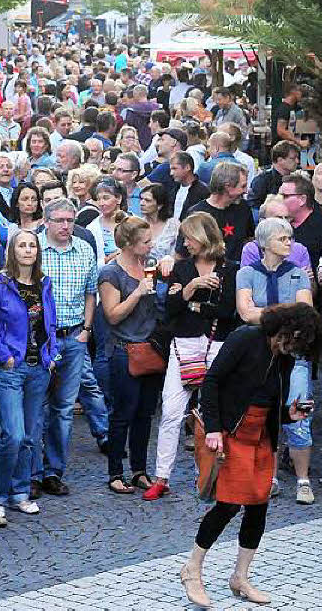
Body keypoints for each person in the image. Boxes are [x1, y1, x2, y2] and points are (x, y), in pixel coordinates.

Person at [180, 303, 319, 608]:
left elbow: (268, 402)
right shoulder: (246, 337)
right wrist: (214, 428)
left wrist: (289, 414)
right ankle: (192, 569)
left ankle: (240, 577)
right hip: (232, 434)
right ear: (287, 328)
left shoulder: (282, 356)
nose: (294, 349)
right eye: (296, 340)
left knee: (258, 507)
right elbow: (213, 380)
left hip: (261, 438)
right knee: (228, 505)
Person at [145, 214, 238, 501]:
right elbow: (170, 308)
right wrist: (191, 289)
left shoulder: (229, 269)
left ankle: (219, 474)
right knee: (171, 413)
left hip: (216, 345)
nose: (185, 242)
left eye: (189, 237)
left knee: (218, 413)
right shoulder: (183, 268)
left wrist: (192, 304)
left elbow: (227, 312)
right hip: (182, 346)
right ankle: (162, 476)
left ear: (204, 237)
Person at [235, 217, 315, 504]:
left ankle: (303, 479)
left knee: (299, 411)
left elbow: (306, 313)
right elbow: (245, 313)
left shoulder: (298, 274)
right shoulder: (246, 273)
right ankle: (267, 476)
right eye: (283, 238)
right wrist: (286, 311)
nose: (289, 243)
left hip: (293, 353)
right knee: (264, 414)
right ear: (264, 242)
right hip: (259, 355)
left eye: (289, 238)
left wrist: (265, 311)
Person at [0, 230, 56, 524]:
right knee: (11, 434)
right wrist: (5, 356)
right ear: (12, 250)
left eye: (32, 246)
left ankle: (20, 491)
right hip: (9, 369)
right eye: (22, 245)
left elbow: (50, 323)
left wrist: (51, 356)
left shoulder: (44, 284)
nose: (27, 250)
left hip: (39, 367)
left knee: (29, 435)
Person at [38, 198, 106, 494]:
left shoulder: (84, 249)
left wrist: (87, 330)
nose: (66, 226)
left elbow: (91, 292)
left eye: (70, 220)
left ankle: (54, 470)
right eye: (60, 220)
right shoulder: (33, 248)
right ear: (47, 221)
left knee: (64, 407)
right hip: (41, 339)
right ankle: (32, 472)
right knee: (37, 406)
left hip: (74, 335)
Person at [98, 217, 163, 494]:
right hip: (124, 350)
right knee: (122, 413)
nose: (151, 245)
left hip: (150, 349)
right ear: (128, 243)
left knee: (145, 414)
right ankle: (115, 472)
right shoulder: (111, 273)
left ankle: (139, 470)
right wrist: (137, 293)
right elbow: (112, 316)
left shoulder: (149, 265)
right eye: (146, 242)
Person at [177, 162, 254, 263]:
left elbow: (250, 239)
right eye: (243, 186)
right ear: (228, 186)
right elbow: (181, 254)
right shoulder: (196, 214)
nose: (246, 191)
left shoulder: (243, 207)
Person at [138, 183, 180, 261]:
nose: (142, 203)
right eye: (141, 199)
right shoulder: (138, 224)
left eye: (147, 200)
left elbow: (180, 253)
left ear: (159, 205)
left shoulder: (174, 225)